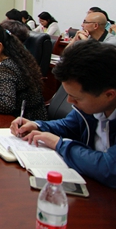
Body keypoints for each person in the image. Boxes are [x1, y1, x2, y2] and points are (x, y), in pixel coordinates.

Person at [11, 40, 116, 188]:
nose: (69, 101)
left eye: (76, 98)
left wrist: (59, 144)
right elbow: (68, 125)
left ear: (109, 95)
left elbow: (110, 168)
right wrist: (38, 126)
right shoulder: (91, 108)